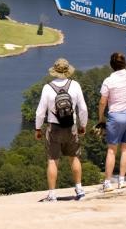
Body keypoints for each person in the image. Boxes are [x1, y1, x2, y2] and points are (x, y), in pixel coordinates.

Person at [35, 57, 88, 202]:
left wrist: (38, 129)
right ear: (68, 71)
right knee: (74, 157)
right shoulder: (75, 85)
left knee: (53, 160)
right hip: (71, 127)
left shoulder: (47, 88)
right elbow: (83, 109)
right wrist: (83, 125)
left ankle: (52, 195)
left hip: (54, 127)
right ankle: (79, 190)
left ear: (55, 71)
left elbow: (40, 112)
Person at [97, 35, 126, 192]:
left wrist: (101, 118)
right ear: (124, 64)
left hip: (116, 117)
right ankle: (121, 181)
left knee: (111, 150)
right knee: (125, 149)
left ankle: (107, 183)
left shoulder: (108, 81)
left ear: (111, 65)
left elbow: (103, 102)